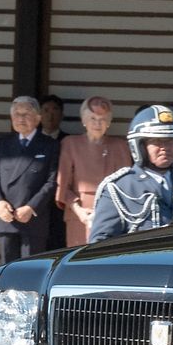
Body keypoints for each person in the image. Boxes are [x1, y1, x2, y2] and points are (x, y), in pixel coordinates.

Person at [89, 104, 173, 241]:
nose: (165, 147)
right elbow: (99, 243)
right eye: (157, 141)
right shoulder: (118, 187)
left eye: (171, 141)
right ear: (140, 146)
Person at [0, 96, 60, 264]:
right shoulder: (3, 143)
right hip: (6, 216)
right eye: (17, 114)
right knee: (7, 271)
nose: (21, 118)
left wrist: (31, 207)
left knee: (31, 271)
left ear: (38, 118)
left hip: (33, 217)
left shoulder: (50, 144)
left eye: (26, 114)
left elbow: (52, 180)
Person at [56, 95, 131, 246]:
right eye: (93, 118)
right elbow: (63, 185)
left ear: (109, 122)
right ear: (84, 120)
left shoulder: (121, 146)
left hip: (111, 214)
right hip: (78, 214)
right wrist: (79, 210)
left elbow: (125, 187)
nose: (97, 123)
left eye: (102, 119)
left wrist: (104, 211)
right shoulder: (70, 144)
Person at [38, 93, 69, 250]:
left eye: (55, 110)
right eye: (46, 110)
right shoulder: (32, 141)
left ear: (61, 114)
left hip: (60, 207)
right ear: (39, 114)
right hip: (35, 206)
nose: (50, 114)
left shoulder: (69, 142)